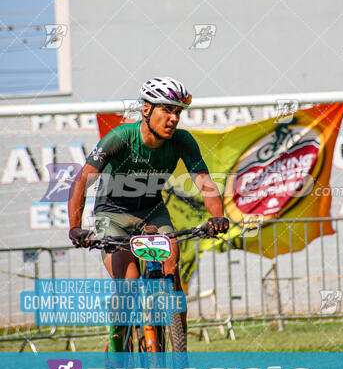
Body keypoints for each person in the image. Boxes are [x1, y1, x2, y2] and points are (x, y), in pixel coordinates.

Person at [68, 76, 229, 352]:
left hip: (152, 214)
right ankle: (117, 353)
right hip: (113, 213)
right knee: (128, 285)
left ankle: (179, 350)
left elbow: (204, 182)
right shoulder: (120, 138)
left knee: (171, 270)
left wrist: (218, 216)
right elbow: (82, 180)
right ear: (146, 110)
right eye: (167, 109)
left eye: (177, 112)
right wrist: (75, 227)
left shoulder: (182, 141)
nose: (174, 118)